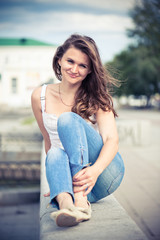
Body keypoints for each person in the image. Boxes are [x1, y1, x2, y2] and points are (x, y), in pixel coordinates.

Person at [31, 34, 125, 227]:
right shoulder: (39, 96)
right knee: (56, 153)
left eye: (82, 65)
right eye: (70, 61)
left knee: (67, 120)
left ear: (90, 70)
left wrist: (95, 170)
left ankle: (80, 199)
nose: (74, 69)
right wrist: (58, 181)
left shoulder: (97, 98)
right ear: (59, 60)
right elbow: (49, 143)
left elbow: (111, 141)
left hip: (103, 173)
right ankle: (67, 206)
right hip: (73, 176)